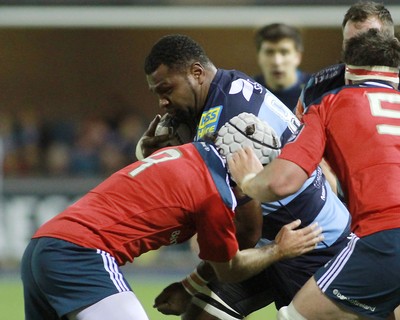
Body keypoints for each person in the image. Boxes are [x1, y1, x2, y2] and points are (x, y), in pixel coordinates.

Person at [20, 119, 324, 320]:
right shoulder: (215, 194)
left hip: (42, 246)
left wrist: (189, 285)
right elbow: (229, 271)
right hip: (81, 253)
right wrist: (278, 250)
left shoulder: (188, 152)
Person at [228, 29, 400, 320]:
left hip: (385, 235)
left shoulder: (329, 104)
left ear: (348, 71)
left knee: (294, 316)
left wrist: (247, 181)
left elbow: (283, 182)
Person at [154, 113, 352, 320]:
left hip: (314, 248)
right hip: (279, 245)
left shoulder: (227, 176)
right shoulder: (221, 167)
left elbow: (243, 243)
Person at [296, 0, 395, 119]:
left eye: (367, 43)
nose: (357, 51)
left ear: (390, 42)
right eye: (350, 44)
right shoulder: (318, 85)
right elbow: (299, 132)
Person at [253, 23, 311, 113]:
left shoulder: (315, 91)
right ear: (259, 57)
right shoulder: (249, 91)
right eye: (269, 52)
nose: (277, 62)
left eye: (284, 52)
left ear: (298, 57)